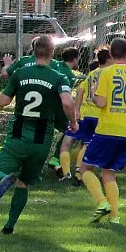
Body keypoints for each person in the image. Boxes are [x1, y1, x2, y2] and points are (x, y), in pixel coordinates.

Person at [0, 35, 78, 235]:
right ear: (52, 53)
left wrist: (7, 94)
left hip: (18, 134)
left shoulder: (20, 72)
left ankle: (5, 178)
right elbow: (67, 102)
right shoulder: (58, 77)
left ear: (34, 51)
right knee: (24, 182)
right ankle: (9, 226)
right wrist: (73, 123)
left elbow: (2, 101)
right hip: (42, 139)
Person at [81, 38, 126, 224]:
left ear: (110, 54)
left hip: (107, 130)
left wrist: (95, 94)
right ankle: (115, 216)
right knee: (109, 172)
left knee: (85, 168)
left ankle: (102, 202)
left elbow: (101, 102)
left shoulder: (107, 73)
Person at [59, 47, 113, 185]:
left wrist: (77, 109)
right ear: (108, 59)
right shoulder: (109, 74)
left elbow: (80, 90)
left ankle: (66, 173)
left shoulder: (91, 74)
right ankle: (79, 173)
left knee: (68, 141)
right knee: (88, 145)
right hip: (98, 115)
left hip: (85, 114)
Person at [46, 47, 80, 175]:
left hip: (45, 105)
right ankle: (55, 159)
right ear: (75, 59)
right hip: (58, 108)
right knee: (71, 131)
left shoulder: (55, 64)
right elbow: (64, 97)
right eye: (78, 59)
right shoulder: (70, 76)